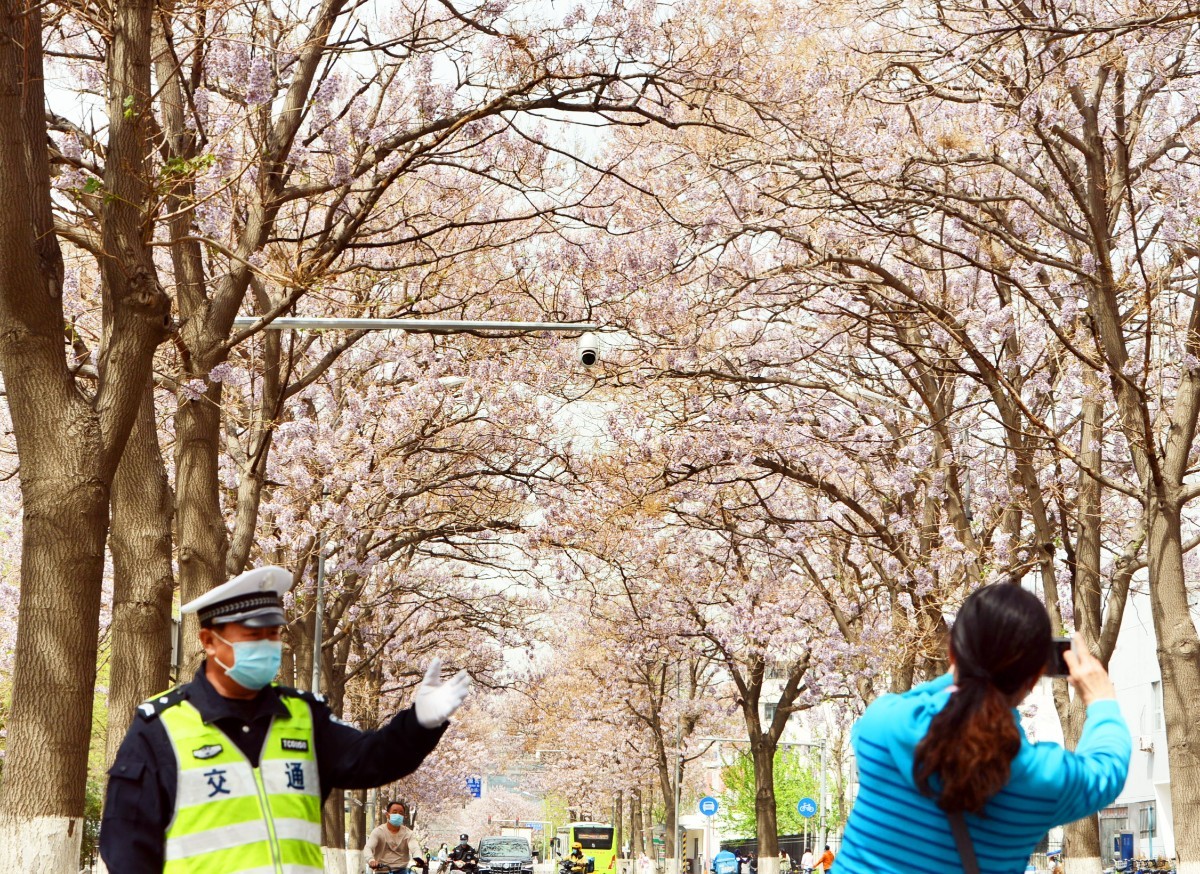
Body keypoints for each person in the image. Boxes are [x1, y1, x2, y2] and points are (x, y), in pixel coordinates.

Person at [100, 565, 472, 871]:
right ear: (209, 641)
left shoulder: (304, 716)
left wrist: (420, 723)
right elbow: (126, 845)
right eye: (251, 635)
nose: (266, 646)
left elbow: (372, 759)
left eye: (273, 634)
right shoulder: (161, 726)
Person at [834, 583, 1131, 873]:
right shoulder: (1042, 779)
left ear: (952, 653)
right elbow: (1108, 769)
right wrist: (1101, 699)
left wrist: (963, 674)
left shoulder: (880, 728)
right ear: (1033, 679)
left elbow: (913, 701)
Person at [366, 800, 426, 871]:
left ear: (404, 816)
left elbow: (415, 848)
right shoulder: (378, 832)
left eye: (401, 813)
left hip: (402, 870)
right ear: (387, 815)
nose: (398, 815)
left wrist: (418, 858)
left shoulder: (408, 833)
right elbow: (368, 847)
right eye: (394, 812)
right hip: (382, 870)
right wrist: (371, 860)